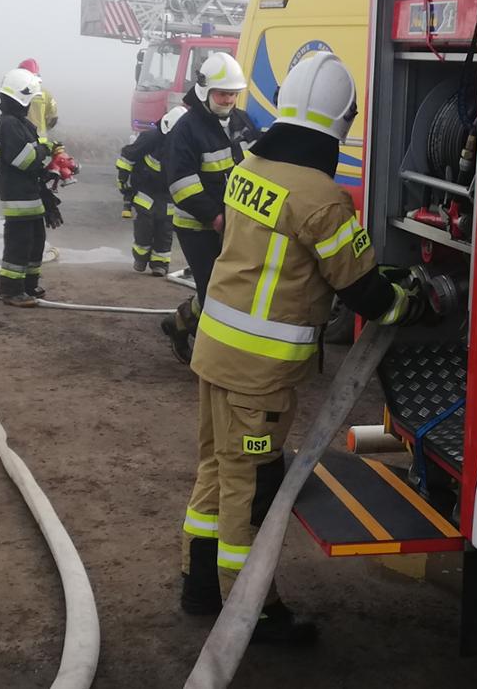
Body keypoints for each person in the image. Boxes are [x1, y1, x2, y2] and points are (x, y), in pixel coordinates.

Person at [176, 53, 431, 643]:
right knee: (251, 487)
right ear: (341, 123)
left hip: (215, 351)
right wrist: (412, 303)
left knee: (217, 468)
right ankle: (253, 614)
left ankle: (199, 585)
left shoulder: (250, 165)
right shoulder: (321, 197)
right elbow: (363, 289)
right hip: (259, 373)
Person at [160, 52, 261, 363]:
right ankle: (211, 360)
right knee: (214, 290)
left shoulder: (241, 121)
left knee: (231, 287)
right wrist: (215, 217)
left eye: (233, 93)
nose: (229, 99)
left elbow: (259, 165)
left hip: (236, 221)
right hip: (198, 225)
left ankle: (179, 321)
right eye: (223, 93)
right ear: (204, 91)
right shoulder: (187, 130)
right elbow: (182, 184)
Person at [0, 66, 57, 307]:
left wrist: (50, 163)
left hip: (30, 197)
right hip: (18, 198)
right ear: (21, 99)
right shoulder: (9, 124)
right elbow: (24, 159)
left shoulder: (21, 123)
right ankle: (11, 290)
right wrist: (45, 150)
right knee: (19, 245)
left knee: (35, 241)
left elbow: (35, 154)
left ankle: (29, 285)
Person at [120, 106, 185, 276]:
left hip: (168, 191)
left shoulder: (185, 143)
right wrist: (123, 181)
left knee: (165, 227)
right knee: (145, 224)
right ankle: (141, 258)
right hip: (146, 187)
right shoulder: (151, 138)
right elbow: (127, 156)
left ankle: (160, 264)